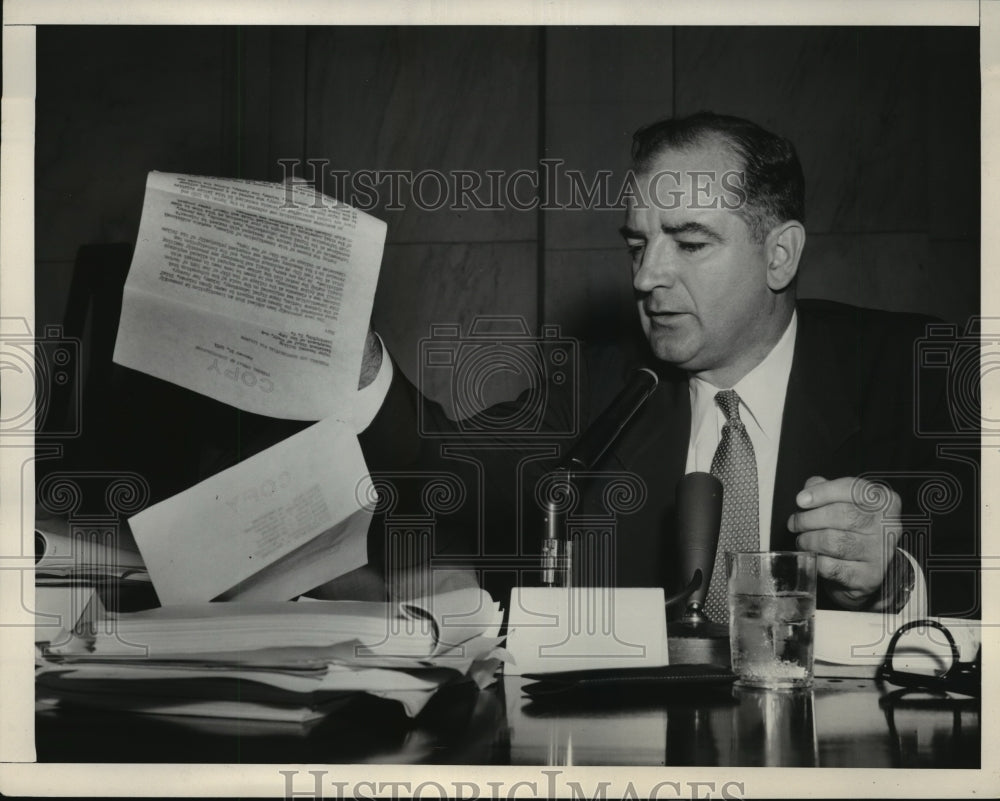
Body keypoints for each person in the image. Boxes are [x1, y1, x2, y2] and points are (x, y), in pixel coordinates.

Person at [305, 113, 977, 616]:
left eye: (689, 242)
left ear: (780, 255)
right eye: (638, 243)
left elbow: (979, 567)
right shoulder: (600, 383)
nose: (648, 276)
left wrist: (899, 576)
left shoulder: (913, 371)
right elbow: (445, 467)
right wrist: (357, 362)